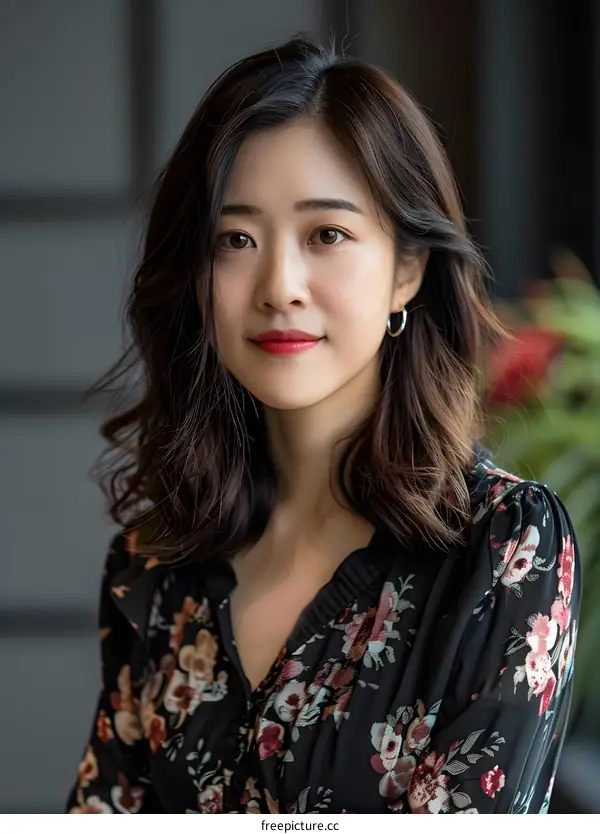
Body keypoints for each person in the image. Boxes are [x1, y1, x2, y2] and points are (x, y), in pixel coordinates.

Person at [66, 38, 581, 814]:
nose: (279, 286)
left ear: (406, 269)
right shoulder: (154, 567)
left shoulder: (503, 547)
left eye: (327, 235)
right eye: (235, 240)